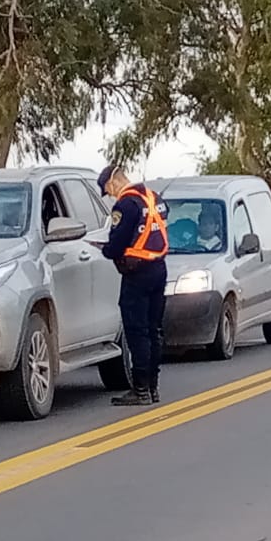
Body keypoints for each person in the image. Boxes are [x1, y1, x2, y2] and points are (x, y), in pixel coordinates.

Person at [97, 164, 169, 406]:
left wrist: (105, 249)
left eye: (108, 190)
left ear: (113, 182)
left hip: (137, 273)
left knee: (137, 331)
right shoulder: (154, 198)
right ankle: (153, 387)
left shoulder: (126, 205)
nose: (110, 196)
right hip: (159, 268)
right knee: (154, 329)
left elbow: (117, 244)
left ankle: (140, 389)